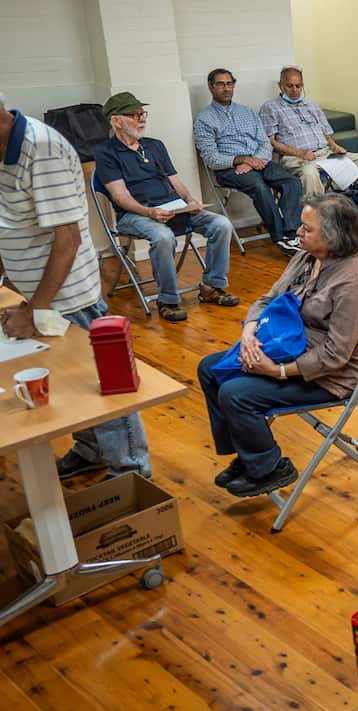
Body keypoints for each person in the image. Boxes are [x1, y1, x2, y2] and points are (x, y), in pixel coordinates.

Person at [0, 92, 151, 479]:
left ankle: (132, 470)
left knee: (100, 383)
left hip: (65, 297)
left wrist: (35, 310)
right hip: (33, 294)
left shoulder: (42, 148)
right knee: (66, 383)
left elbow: (68, 239)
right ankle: (93, 450)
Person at [196, 193, 358, 498]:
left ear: (332, 237)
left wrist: (277, 371)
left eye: (307, 229)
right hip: (282, 347)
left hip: (326, 377)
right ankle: (250, 453)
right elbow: (268, 299)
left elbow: (335, 355)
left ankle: (269, 468)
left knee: (235, 394)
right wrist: (249, 334)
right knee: (210, 370)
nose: (298, 232)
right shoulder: (307, 258)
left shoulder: (354, 284)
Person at [94, 91, 240, 323]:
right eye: (134, 114)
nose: (141, 118)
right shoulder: (106, 153)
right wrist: (149, 212)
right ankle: (168, 299)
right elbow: (120, 197)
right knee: (163, 237)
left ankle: (212, 286)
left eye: (142, 113)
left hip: (173, 208)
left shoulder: (154, 146)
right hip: (135, 214)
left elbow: (175, 182)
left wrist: (190, 202)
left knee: (221, 224)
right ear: (116, 121)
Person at [260, 65, 358, 232]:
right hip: (297, 157)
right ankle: (319, 224)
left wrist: (335, 146)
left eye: (298, 85)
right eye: (289, 86)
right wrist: (300, 153)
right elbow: (271, 142)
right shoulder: (270, 108)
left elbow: (327, 134)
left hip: (325, 153)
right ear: (280, 85)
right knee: (309, 174)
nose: (294, 90)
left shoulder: (312, 106)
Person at [194, 68, 303, 257]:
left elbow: (265, 143)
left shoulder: (248, 113)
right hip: (230, 169)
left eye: (229, 84)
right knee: (259, 187)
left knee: (292, 182)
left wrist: (253, 161)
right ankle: (280, 238)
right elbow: (211, 158)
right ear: (211, 87)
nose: (226, 88)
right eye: (220, 84)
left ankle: (291, 233)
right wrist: (241, 160)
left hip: (260, 162)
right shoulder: (204, 119)